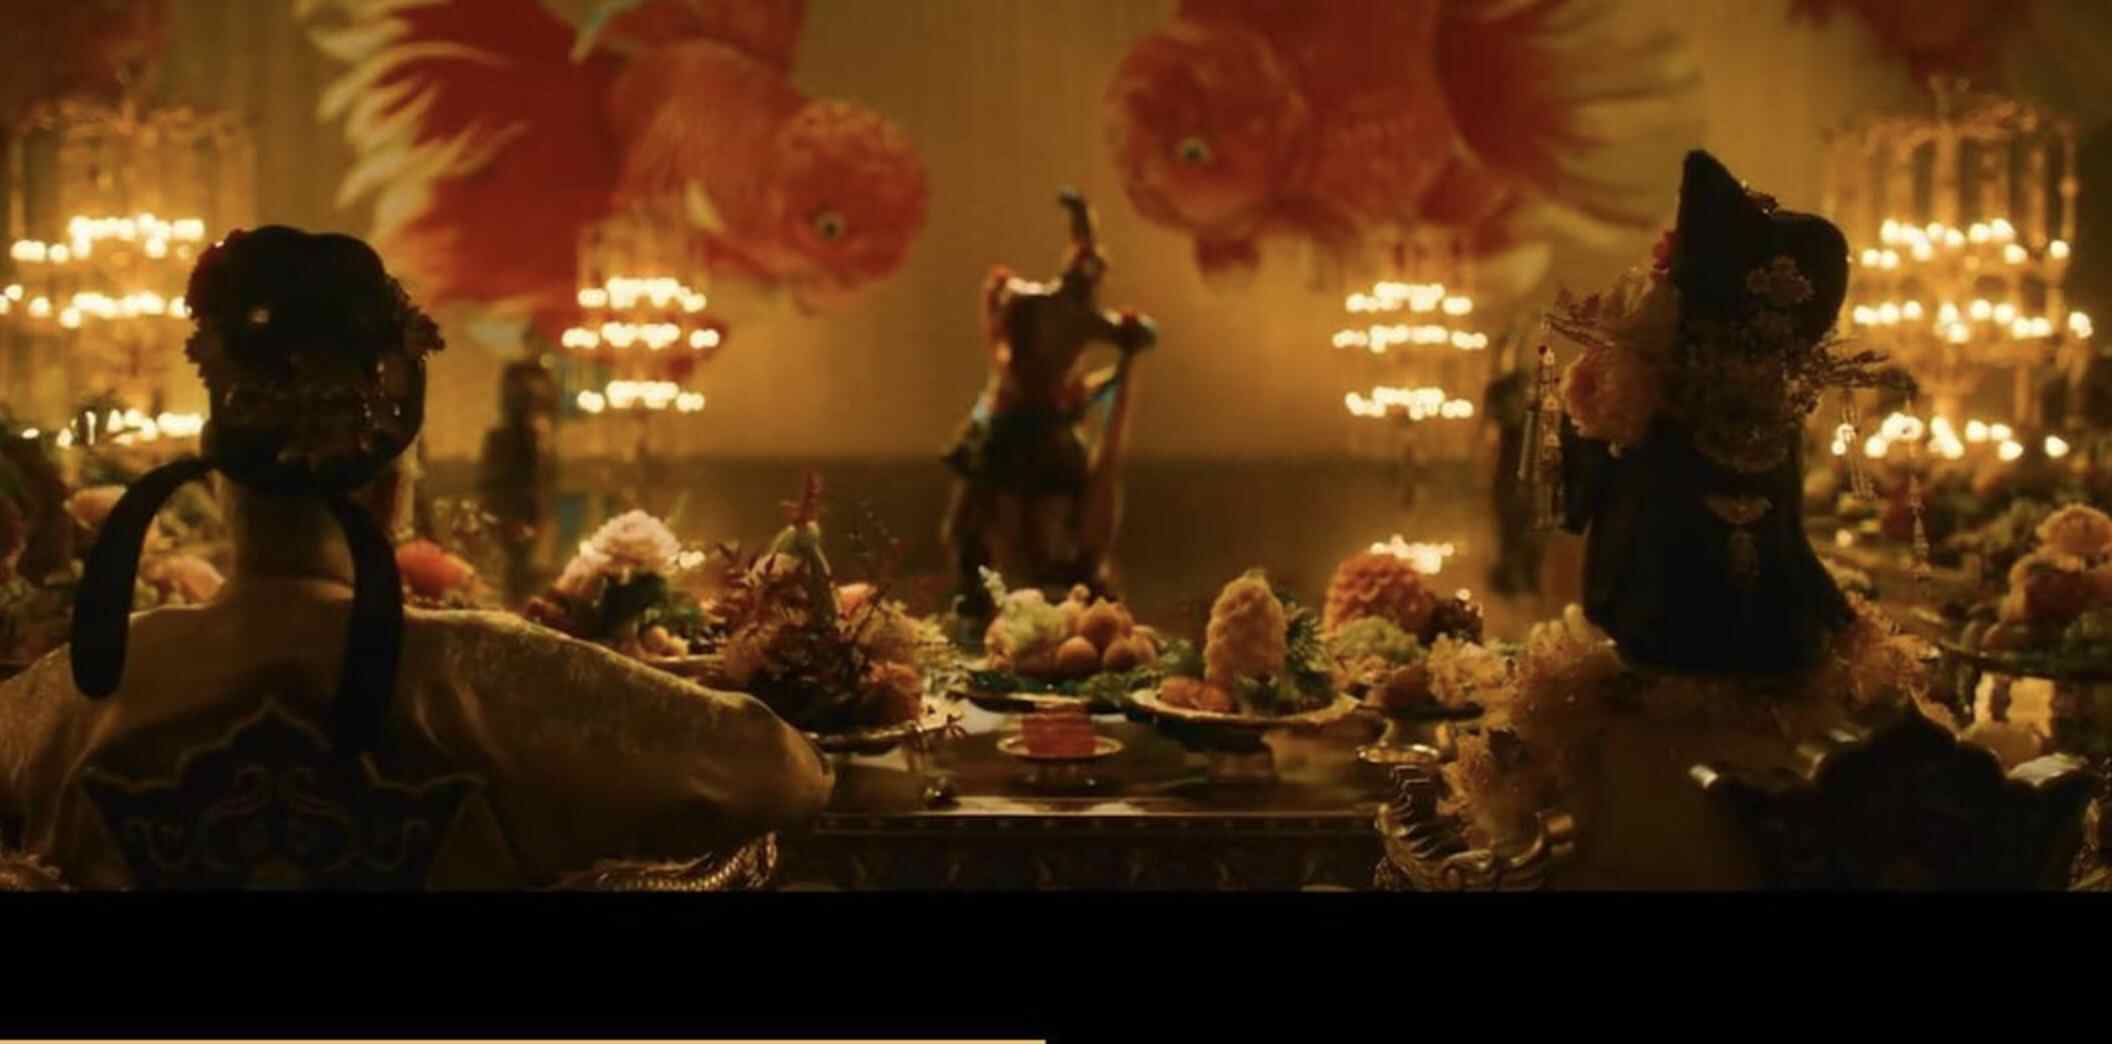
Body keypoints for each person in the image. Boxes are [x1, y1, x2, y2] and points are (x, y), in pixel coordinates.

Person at [0, 227, 831, 890]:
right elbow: (786, 772)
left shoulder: (77, 691)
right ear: (391, 489)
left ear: (219, 483)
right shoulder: (490, 677)